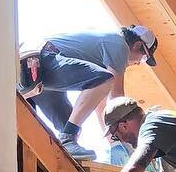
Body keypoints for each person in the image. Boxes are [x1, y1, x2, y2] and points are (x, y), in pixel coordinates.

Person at [21, 26, 157, 159]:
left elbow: (101, 106)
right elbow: (117, 99)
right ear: (137, 45)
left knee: (67, 126)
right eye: (144, 58)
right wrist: (133, 140)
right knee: (104, 80)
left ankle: (63, 145)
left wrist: (114, 142)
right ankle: (67, 138)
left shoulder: (105, 58)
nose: (139, 63)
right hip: (42, 60)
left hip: (38, 75)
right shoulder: (119, 44)